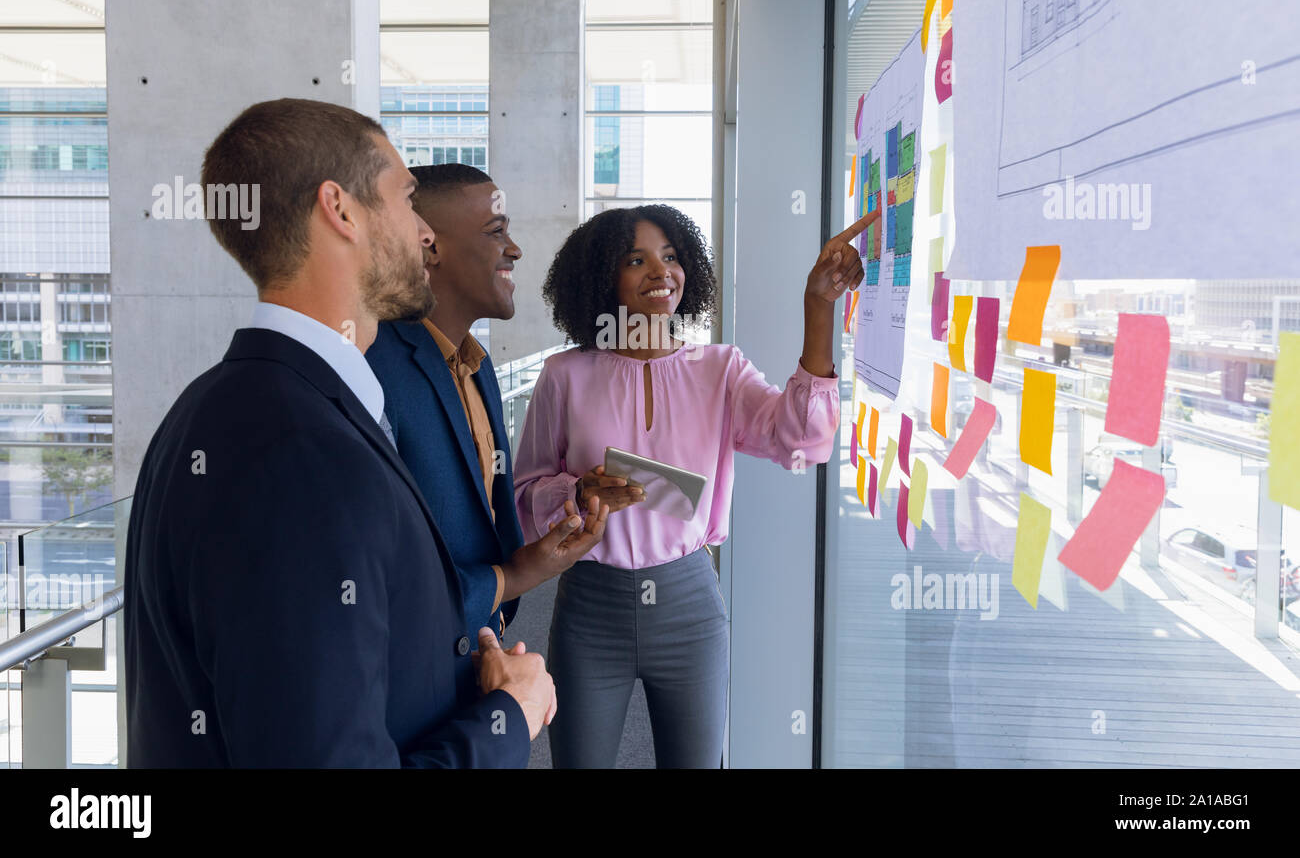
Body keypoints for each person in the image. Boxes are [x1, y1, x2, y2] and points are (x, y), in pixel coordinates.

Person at [124, 98, 582, 767]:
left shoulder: (232, 406)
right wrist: (509, 720)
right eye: (405, 201)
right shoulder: (299, 453)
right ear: (339, 210)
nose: (426, 237)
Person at [513, 203, 868, 768]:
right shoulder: (564, 375)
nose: (661, 271)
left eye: (671, 257)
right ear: (603, 277)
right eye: (637, 259)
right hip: (589, 604)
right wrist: (576, 494)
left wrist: (818, 307)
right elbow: (522, 498)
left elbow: (802, 442)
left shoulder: (720, 369)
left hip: (689, 604)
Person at [366, 164, 610, 638]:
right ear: (428, 245)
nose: (514, 249)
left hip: (477, 643)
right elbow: (379, 567)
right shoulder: (372, 369)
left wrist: (525, 567)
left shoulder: (477, 368)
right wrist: (515, 577)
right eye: (496, 231)